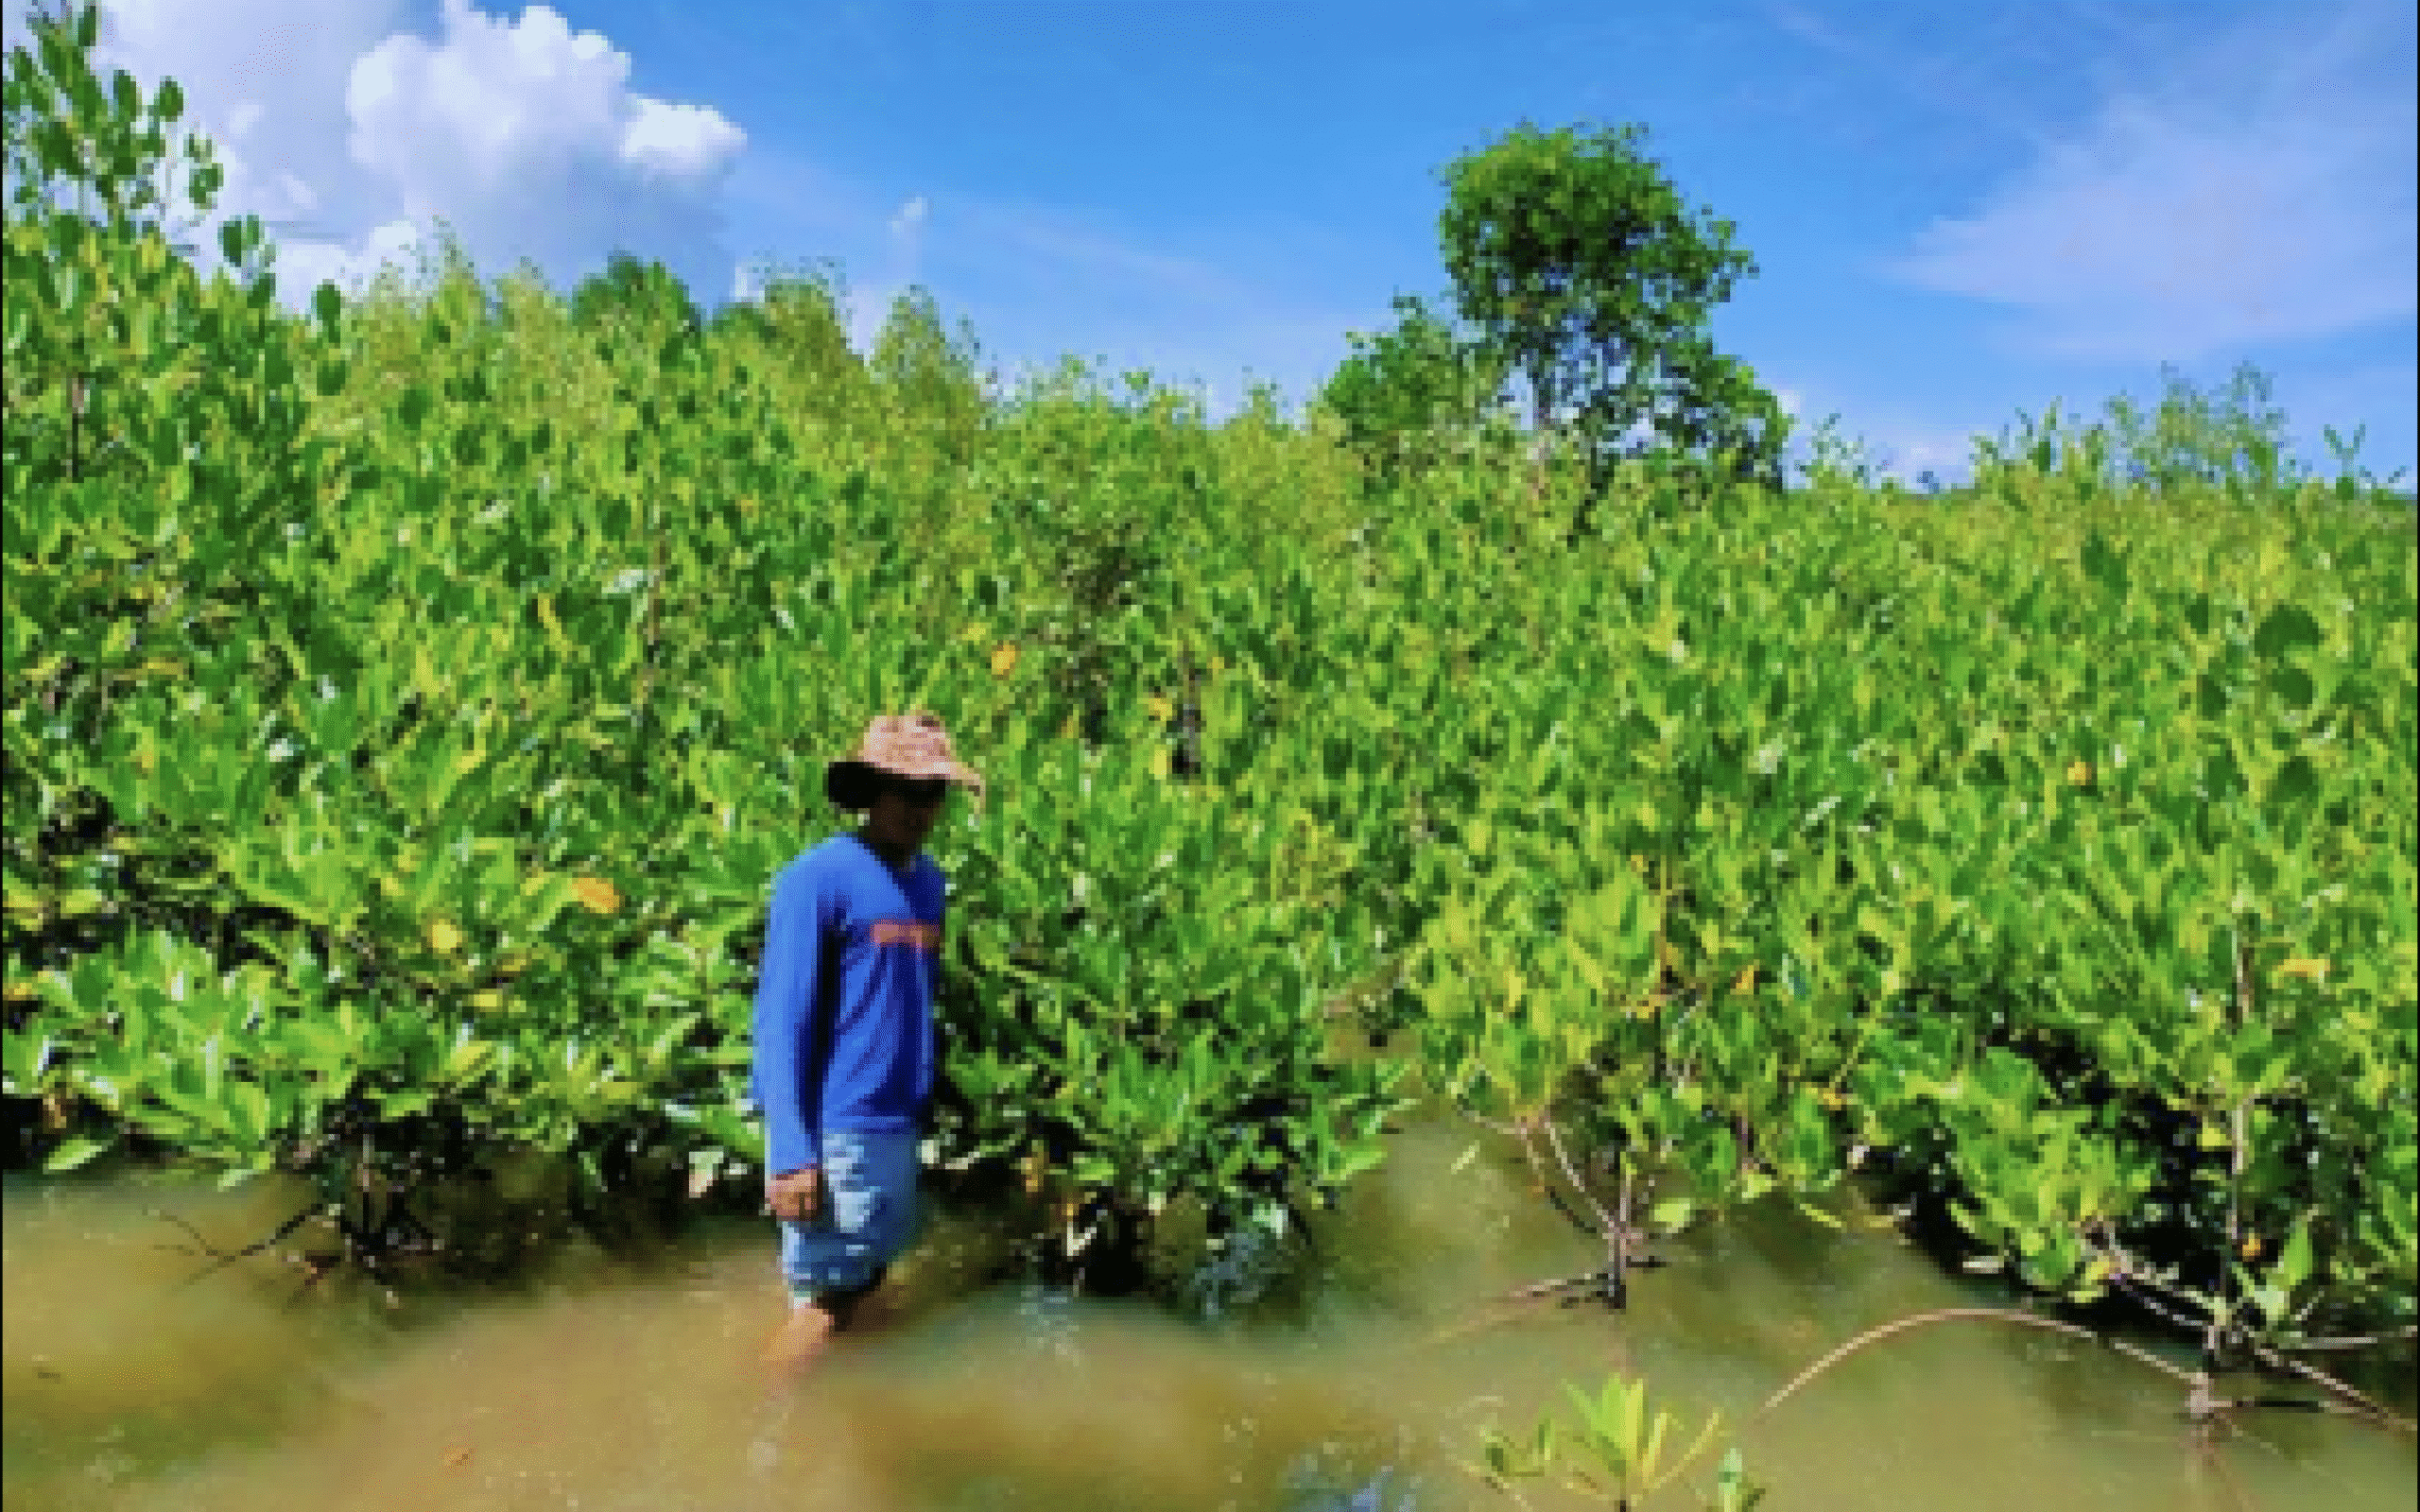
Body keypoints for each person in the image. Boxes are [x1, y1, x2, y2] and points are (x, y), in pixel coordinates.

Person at [752, 711, 983, 1380]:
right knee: (832, 1298)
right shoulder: (817, 878)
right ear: (871, 790)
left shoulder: (928, 883)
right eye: (905, 790)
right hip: (836, 1127)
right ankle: (756, 1430)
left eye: (932, 792)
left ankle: (822, 1436)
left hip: (893, 1125)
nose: (920, 808)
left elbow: (914, 1002)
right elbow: (781, 1019)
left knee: (871, 1280)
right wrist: (792, 1154)